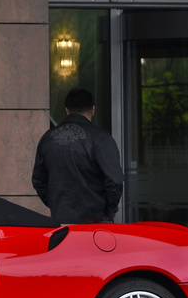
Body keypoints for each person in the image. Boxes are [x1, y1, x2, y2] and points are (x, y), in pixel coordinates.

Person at [32, 88, 123, 223]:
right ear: (93, 110)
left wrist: (56, 204)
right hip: (95, 222)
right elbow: (114, 181)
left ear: (67, 110)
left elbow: (39, 180)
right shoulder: (101, 138)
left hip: (60, 221)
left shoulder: (48, 138)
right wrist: (108, 212)